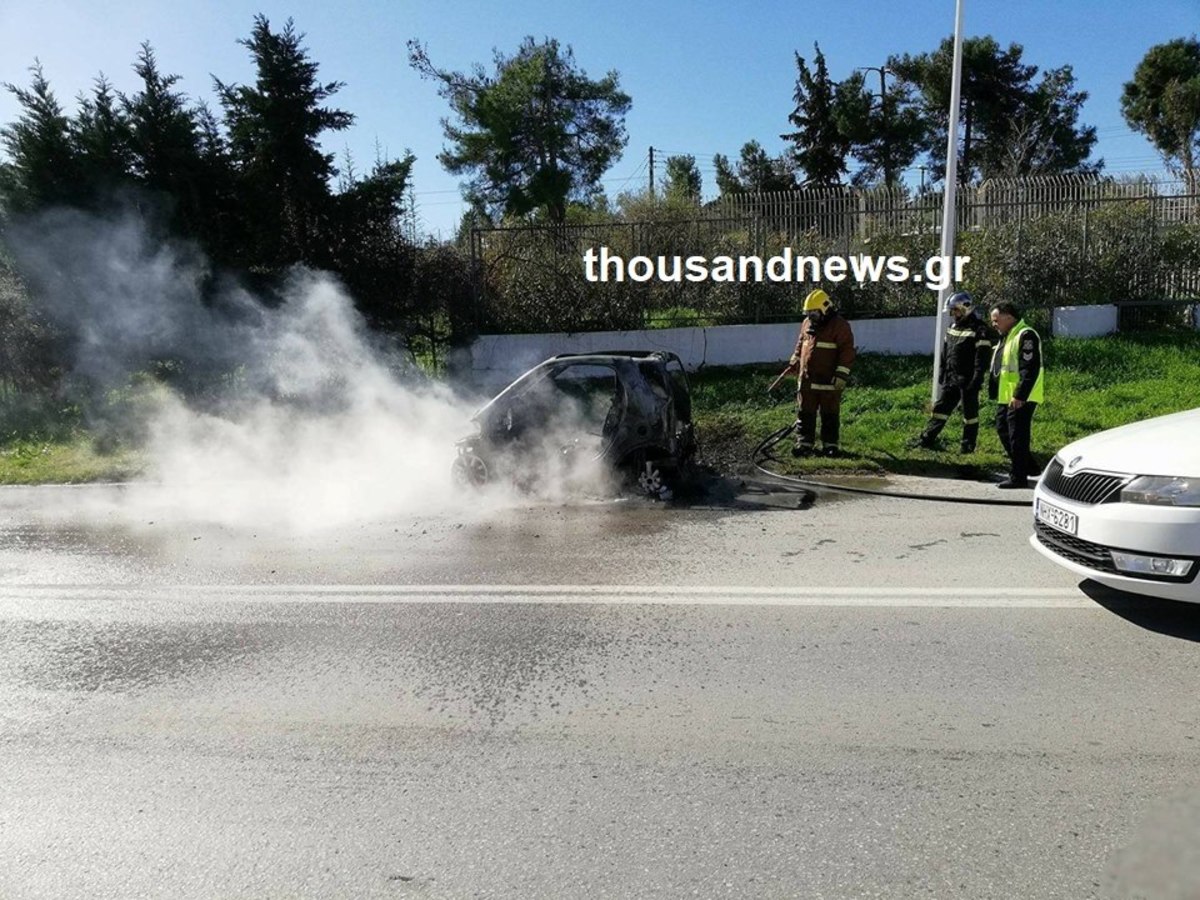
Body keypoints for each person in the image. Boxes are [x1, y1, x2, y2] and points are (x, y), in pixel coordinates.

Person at [911, 291, 995, 453]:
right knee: (941, 409)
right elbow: (945, 352)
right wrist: (943, 372)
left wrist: (977, 379)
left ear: (966, 308)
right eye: (952, 311)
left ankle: (967, 446)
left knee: (969, 414)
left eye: (955, 310)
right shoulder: (952, 327)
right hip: (951, 377)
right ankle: (927, 438)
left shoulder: (980, 330)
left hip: (968, 379)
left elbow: (982, 359)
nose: (953, 314)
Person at [788, 288, 856, 457]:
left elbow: (847, 351)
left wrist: (841, 375)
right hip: (807, 380)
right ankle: (804, 444)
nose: (811, 317)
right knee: (805, 412)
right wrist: (795, 359)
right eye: (808, 313)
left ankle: (830, 445)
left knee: (829, 414)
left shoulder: (840, 326)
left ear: (825, 310)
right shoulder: (806, 324)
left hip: (828, 381)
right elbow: (801, 343)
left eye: (814, 313)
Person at [988, 301, 1044, 489]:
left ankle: (1018, 477)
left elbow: (1030, 368)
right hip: (1006, 396)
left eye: (996, 320)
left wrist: (1020, 395)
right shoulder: (1007, 336)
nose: (994, 324)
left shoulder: (1026, 335)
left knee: (1017, 437)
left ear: (1009, 317)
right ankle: (1029, 466)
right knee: (1003, 430)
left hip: (1021, 397)